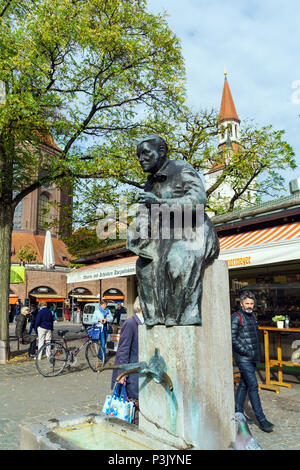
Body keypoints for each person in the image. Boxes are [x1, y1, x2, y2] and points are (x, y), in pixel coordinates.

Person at [127, 135, 219, 326]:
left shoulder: (181, 169)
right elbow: (147, 214)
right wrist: (137, 233)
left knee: (177, 260)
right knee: (143, 266)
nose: (141, 159)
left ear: (161, 152)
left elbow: (199, 201)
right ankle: (155, 317)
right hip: (166, 235)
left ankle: (181, 315)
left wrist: (160, 202)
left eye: (145, 153)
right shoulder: (150, 182)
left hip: (194, 229)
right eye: (138, 155)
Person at [231, 290, 274, 433]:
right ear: (241, 303)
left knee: (244, 385)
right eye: (247, 303)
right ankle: (261, 420)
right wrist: (246, 351)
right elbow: (232, 338)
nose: (249, 306)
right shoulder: (237, 317)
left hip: (252, 358)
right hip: (243, 358)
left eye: (251, 303)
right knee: (254, 386)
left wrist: (254, 354)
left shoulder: (252, 316)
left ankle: (238, 413)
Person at [111, 297, 144, 404]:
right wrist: (122, 373)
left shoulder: (145, 324)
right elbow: (123, 350)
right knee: (130, 405)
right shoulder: (131, 323)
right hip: (131, 375)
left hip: (140, 373)